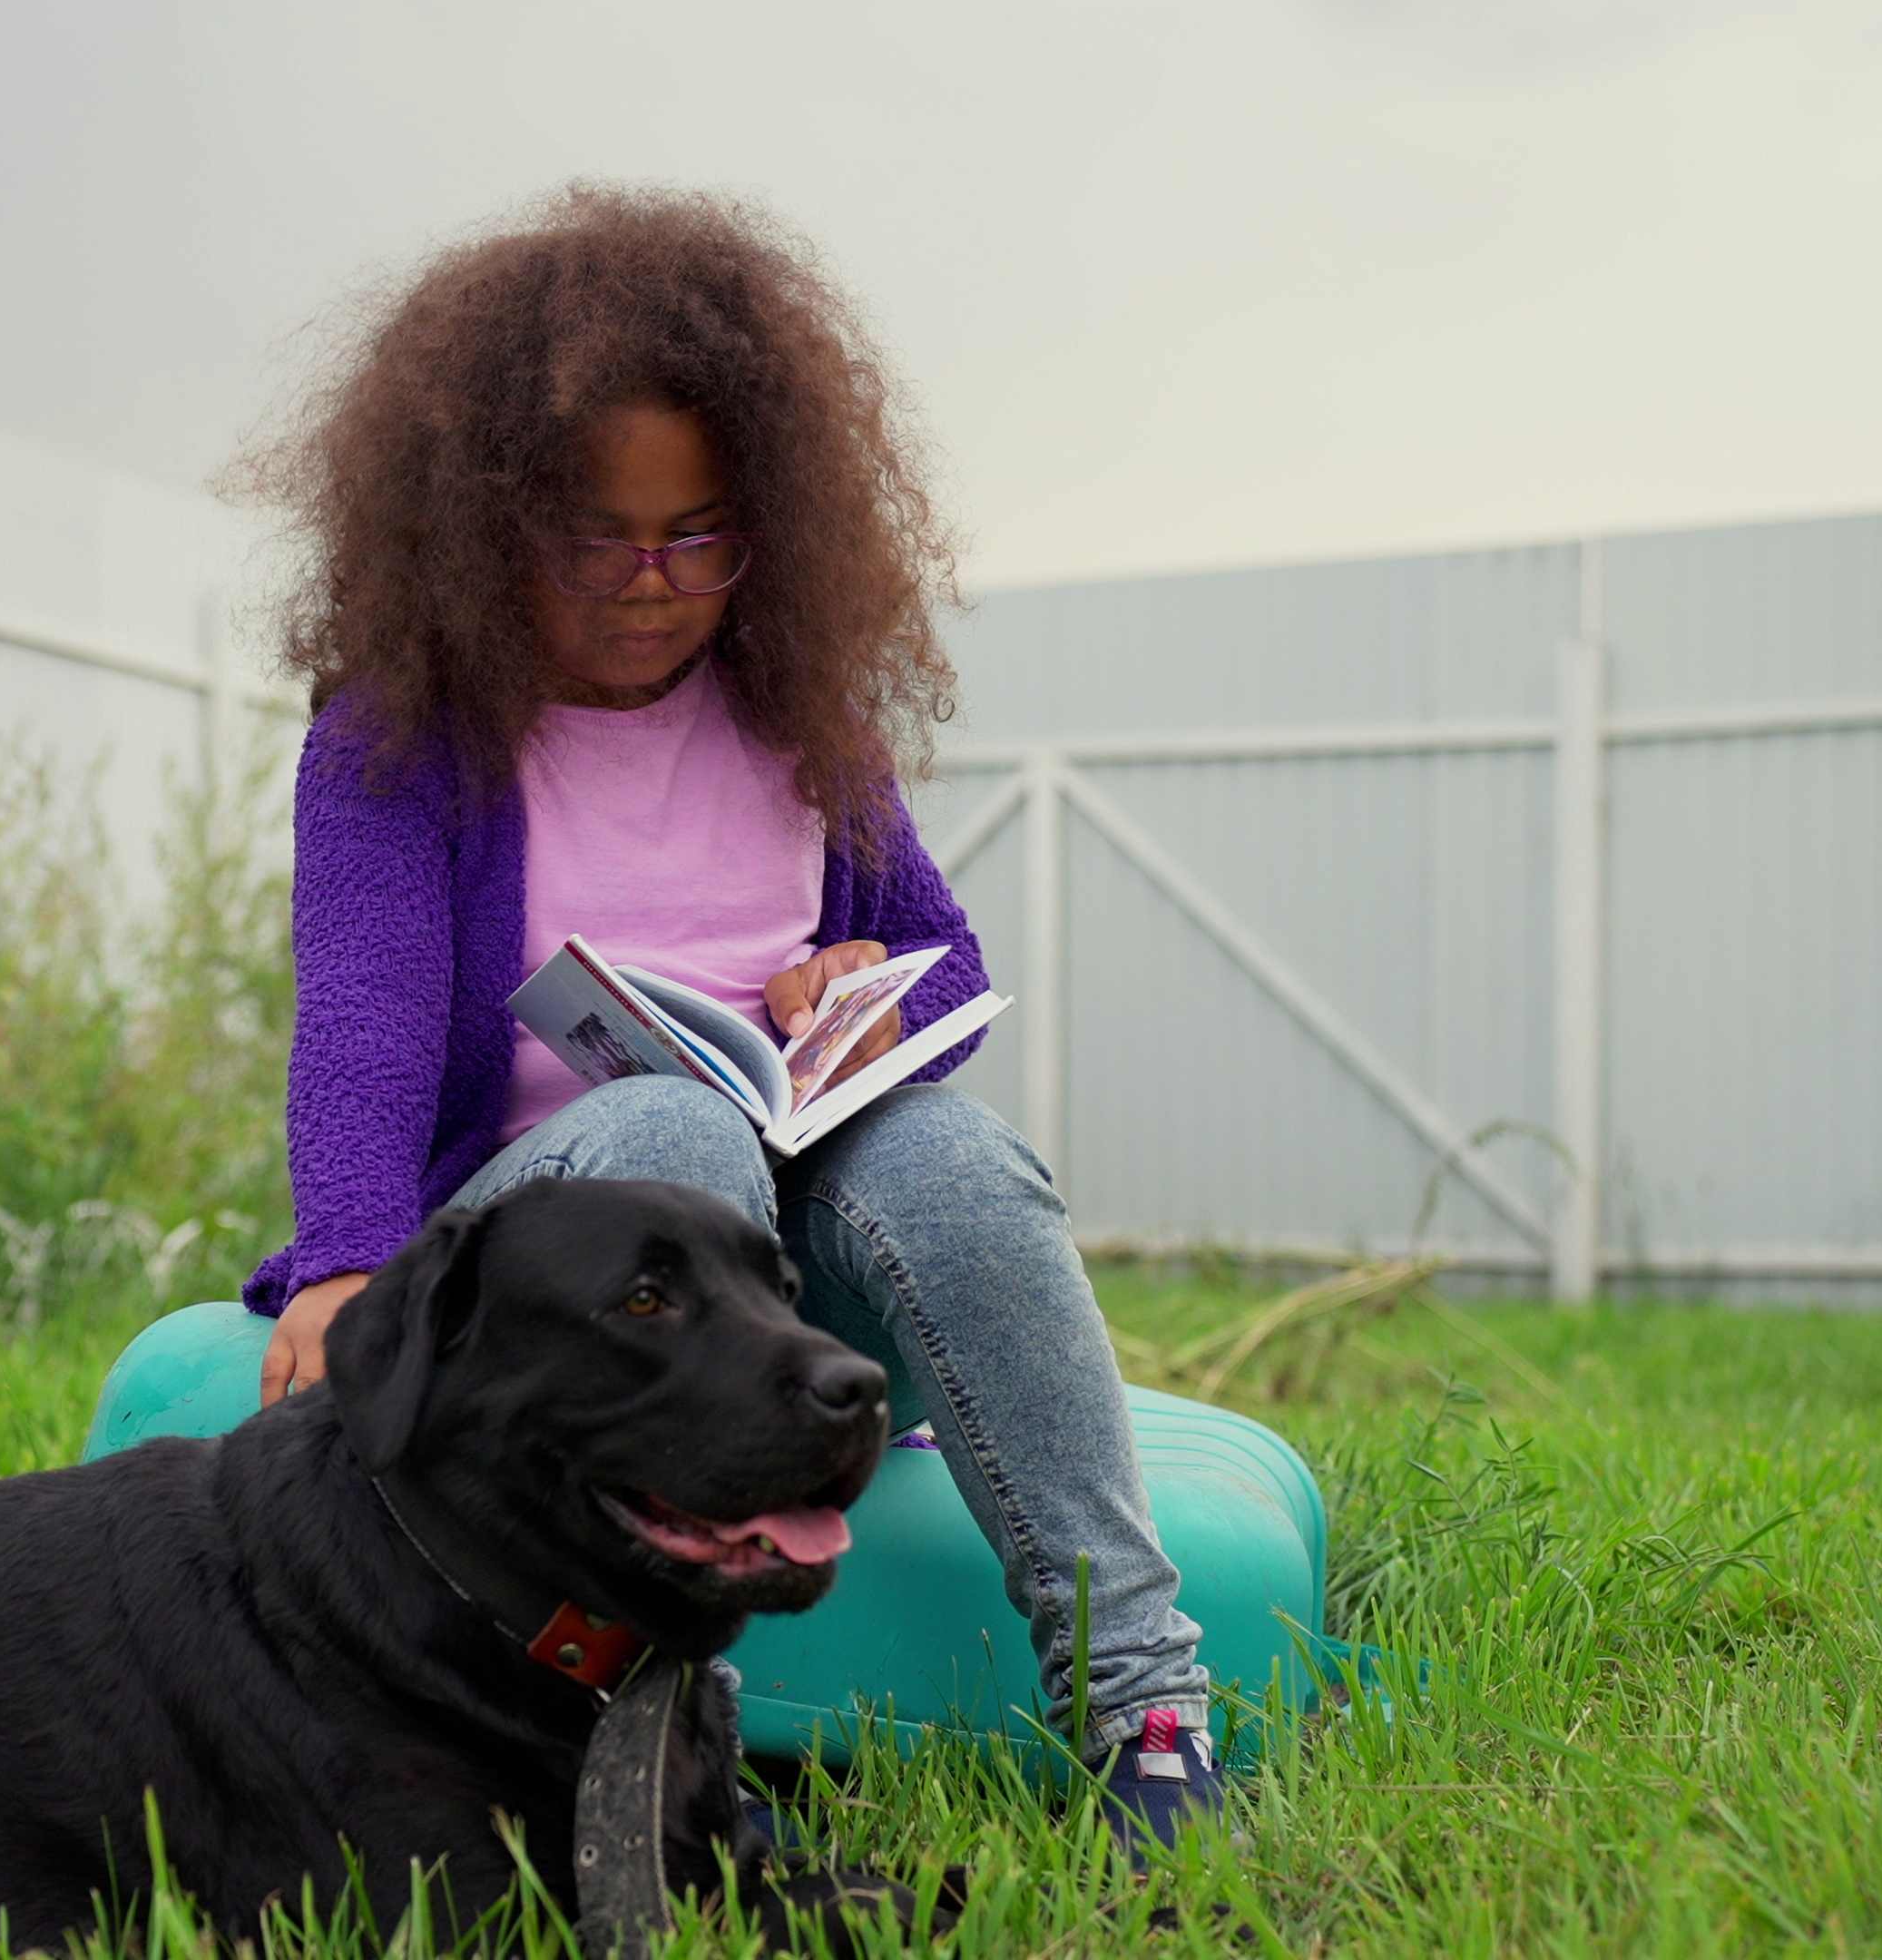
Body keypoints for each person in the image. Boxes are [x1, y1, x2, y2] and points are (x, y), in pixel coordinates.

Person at [232, 186, 1221, 1856]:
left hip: (764, 1291)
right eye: (594, 540)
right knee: (682, 1135)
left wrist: (856, 990)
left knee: (959, 1162)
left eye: (701, 534)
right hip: (550, 1296)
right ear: (481, 524)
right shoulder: (407, 736)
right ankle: (691, 1741)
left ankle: (1147, 1703)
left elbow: (945, 964)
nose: (651, 583)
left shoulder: (794, 711)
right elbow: (366, 1032)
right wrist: (340, 1264)